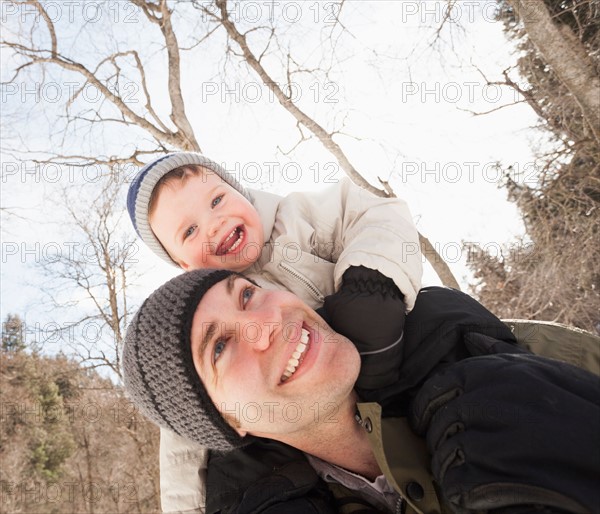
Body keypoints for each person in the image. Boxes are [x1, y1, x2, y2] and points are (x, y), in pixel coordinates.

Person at [122, 269, 600, 514]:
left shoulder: (524, 353)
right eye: (221, 346)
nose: (267, 321)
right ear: (228, 422)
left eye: (247, 294)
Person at [127, 152, 422, 510]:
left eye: (217, 201)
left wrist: (374, 281)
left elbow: (375, 214)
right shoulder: (191, 334)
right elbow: (181, 449)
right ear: (183, 265)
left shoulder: (296, 220)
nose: (214, 224)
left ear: (241, 193)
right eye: (189, 230)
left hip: (392, 345)